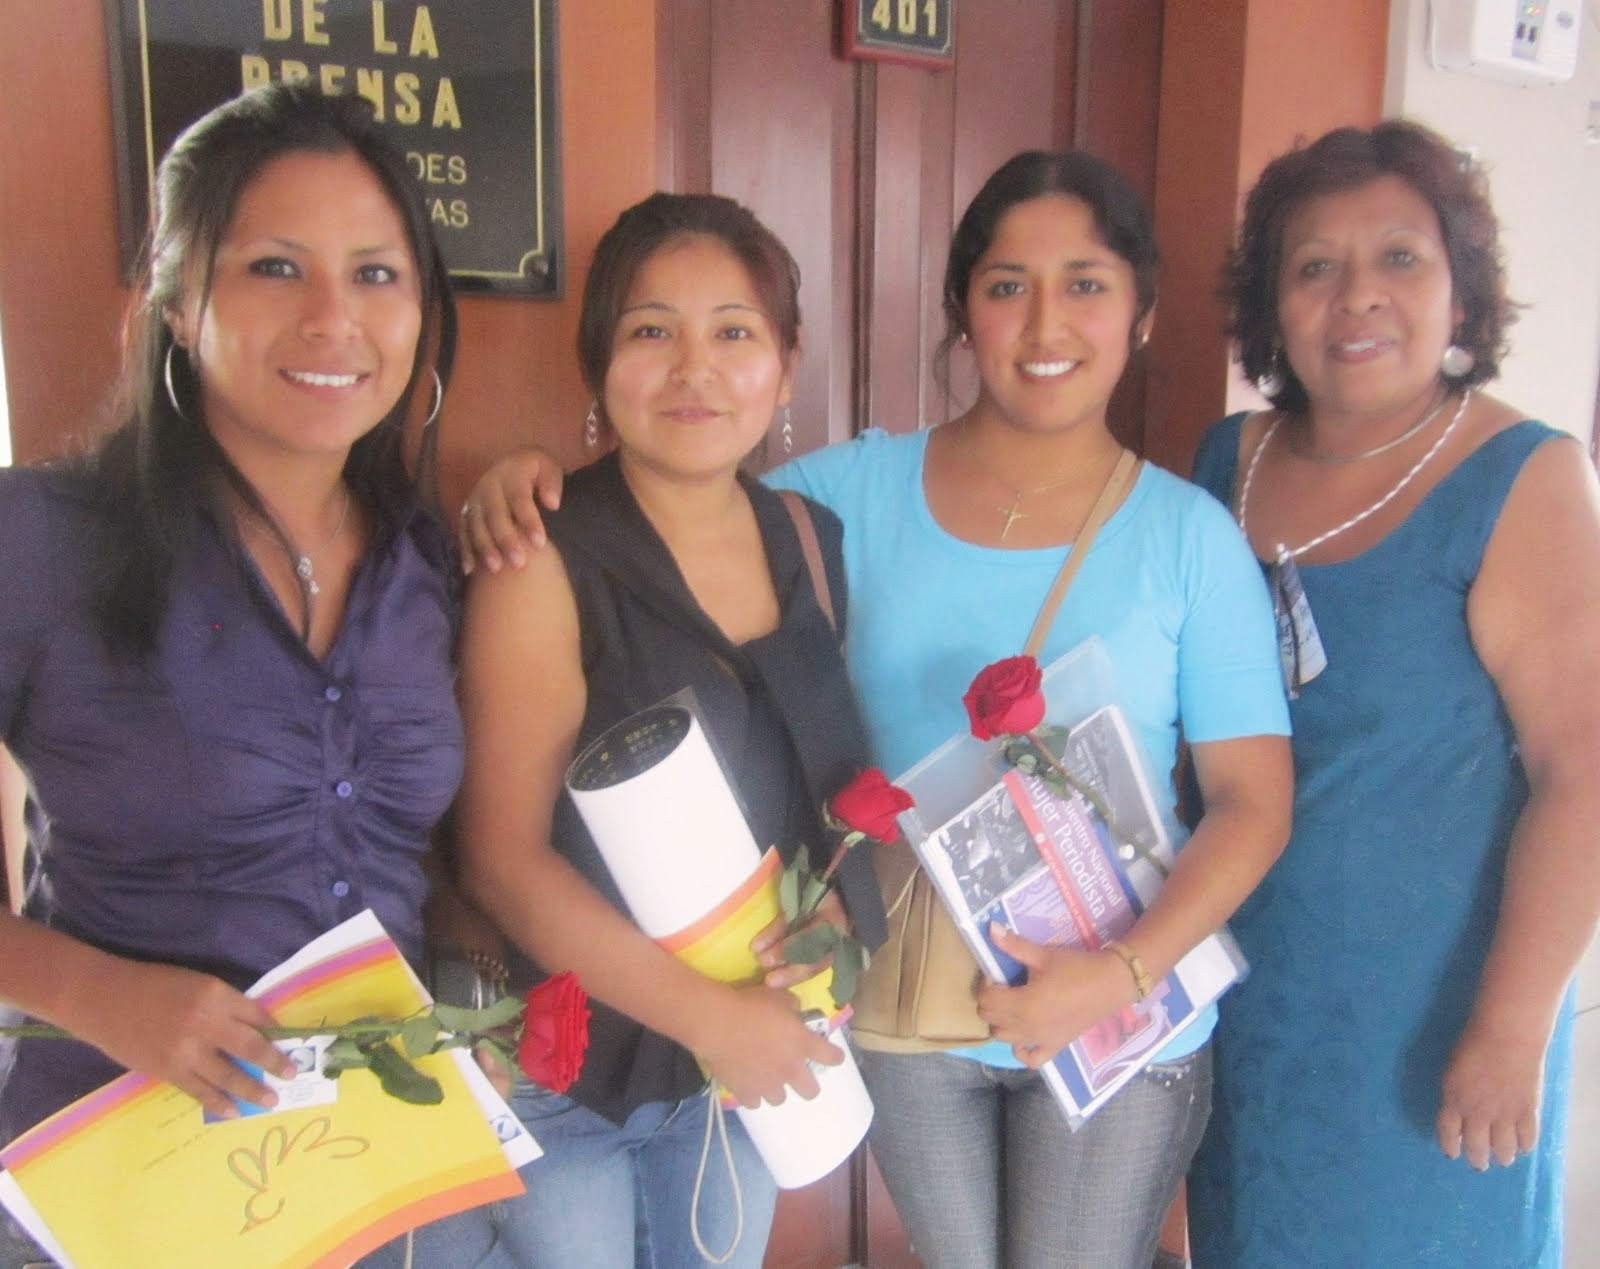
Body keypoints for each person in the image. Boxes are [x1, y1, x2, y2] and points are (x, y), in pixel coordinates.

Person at [461, 151, 1294, 1269]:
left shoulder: (1190, 536)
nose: (1044, 320)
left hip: (1113, 1014)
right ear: (963, 312)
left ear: (1140, 313)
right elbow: (671, 494)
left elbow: (1251, 805)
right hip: (902, 1017)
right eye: (1005, 285)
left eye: (1086, 283)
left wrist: (1122, 973)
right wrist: (514, 476)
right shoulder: (840, 501)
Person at [0, 82, 463, 1266]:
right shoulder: (43, 538)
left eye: (375, 273)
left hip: (363, 1180)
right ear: (174, 296)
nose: (333, 319)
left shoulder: (429, 561)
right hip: (113, 1175)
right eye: (272, 268)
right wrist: (96, 993)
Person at [431, 192, 888, 1268]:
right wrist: (710, 1019)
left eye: (734, 331)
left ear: (785, 362)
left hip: (739, 1072)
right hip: (579, 1073)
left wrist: (823, 930)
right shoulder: (542, 552)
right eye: (652, 332)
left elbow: (812, 772)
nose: (695, 368)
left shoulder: (808, 539)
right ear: (597, 363)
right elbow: (498, 859)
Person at [1185, 119, 1600, 1268]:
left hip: (1435, 1023)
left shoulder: (1522, 477)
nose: (1355, 295)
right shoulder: (1226, 462)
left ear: (1461, 295)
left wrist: (1511, 1026)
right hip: (1249, 1012)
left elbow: (1584, 773)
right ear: (1272, 308)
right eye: (1313, 266)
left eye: (1399, 258)